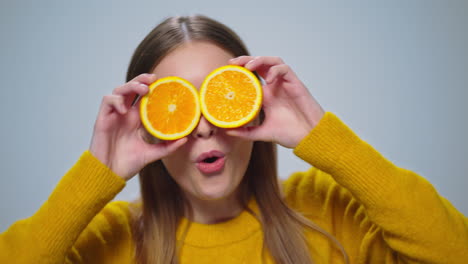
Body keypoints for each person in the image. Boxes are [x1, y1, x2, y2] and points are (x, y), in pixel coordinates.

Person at [1, 15, 467, 264]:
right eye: (181, 106)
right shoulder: (111, 240)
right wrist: (97, 173)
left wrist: (324, 138)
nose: (203, 126)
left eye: (219, 99)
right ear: (148, 122)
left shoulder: (327, 211)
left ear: (252, 105)